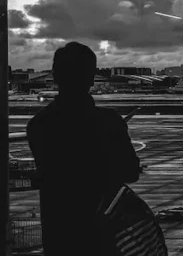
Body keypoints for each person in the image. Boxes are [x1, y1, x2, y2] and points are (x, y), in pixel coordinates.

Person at [27, 42, 141, 255]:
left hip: (59, 235)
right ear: (91, 78)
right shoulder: (109, 121)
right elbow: (131, 172)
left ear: (55, 76)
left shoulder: (38, 125)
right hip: (102, 235)